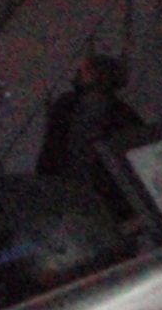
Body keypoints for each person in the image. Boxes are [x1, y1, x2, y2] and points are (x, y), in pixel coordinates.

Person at [36, 52, 145, 219]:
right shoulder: (125, 113)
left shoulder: (67, 104)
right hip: (110, 199)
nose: (77, 73)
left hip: (73, 193)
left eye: (83, 71)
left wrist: (44, 184)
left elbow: (52, 148)